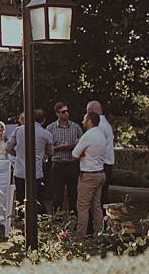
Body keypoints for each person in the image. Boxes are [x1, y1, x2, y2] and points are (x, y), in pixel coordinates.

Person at [72, 108, 110, 236]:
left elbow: (75, 154)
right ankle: (99, 234)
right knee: (96, 206)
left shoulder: (88, 135)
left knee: (82, 207)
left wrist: (82, 153)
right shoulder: (101, 135)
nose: (82, 122)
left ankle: (80, 237)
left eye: (84, 119)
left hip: (89, 175)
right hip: (100, 174)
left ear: (89, 121)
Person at [7, 110, 53, 213]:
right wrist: (42, 155)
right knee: (38, 199)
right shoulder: (46, 134)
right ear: (43, 120)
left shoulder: (18, 130)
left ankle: (21, 220)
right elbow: (50, 152)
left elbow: (8, 148)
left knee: (20, 200)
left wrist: (19, 154)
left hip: (20, 171)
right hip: (36, 172)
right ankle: (39, 220)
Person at [46, 101, 81, 214]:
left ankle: (73, 219)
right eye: (63, 112)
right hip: (57, 165)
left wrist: (71, 146)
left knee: (73, 195)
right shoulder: (50, 128)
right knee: (57, 196)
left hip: (72, 164)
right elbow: (47, 149)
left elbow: (82, 144)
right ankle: (56, 221)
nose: (66, 113)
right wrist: (58, 147)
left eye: (67, 111)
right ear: (57, 113)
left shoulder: (76, 127)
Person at [87, 100, 115, 207]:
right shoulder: (105, 124)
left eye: (87, 111)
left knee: (100, 195)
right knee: (102, 193)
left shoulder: (99, 126)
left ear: (91, 110)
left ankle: (102, 216)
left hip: (103, 164)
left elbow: (96, 145)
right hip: (106, 163)